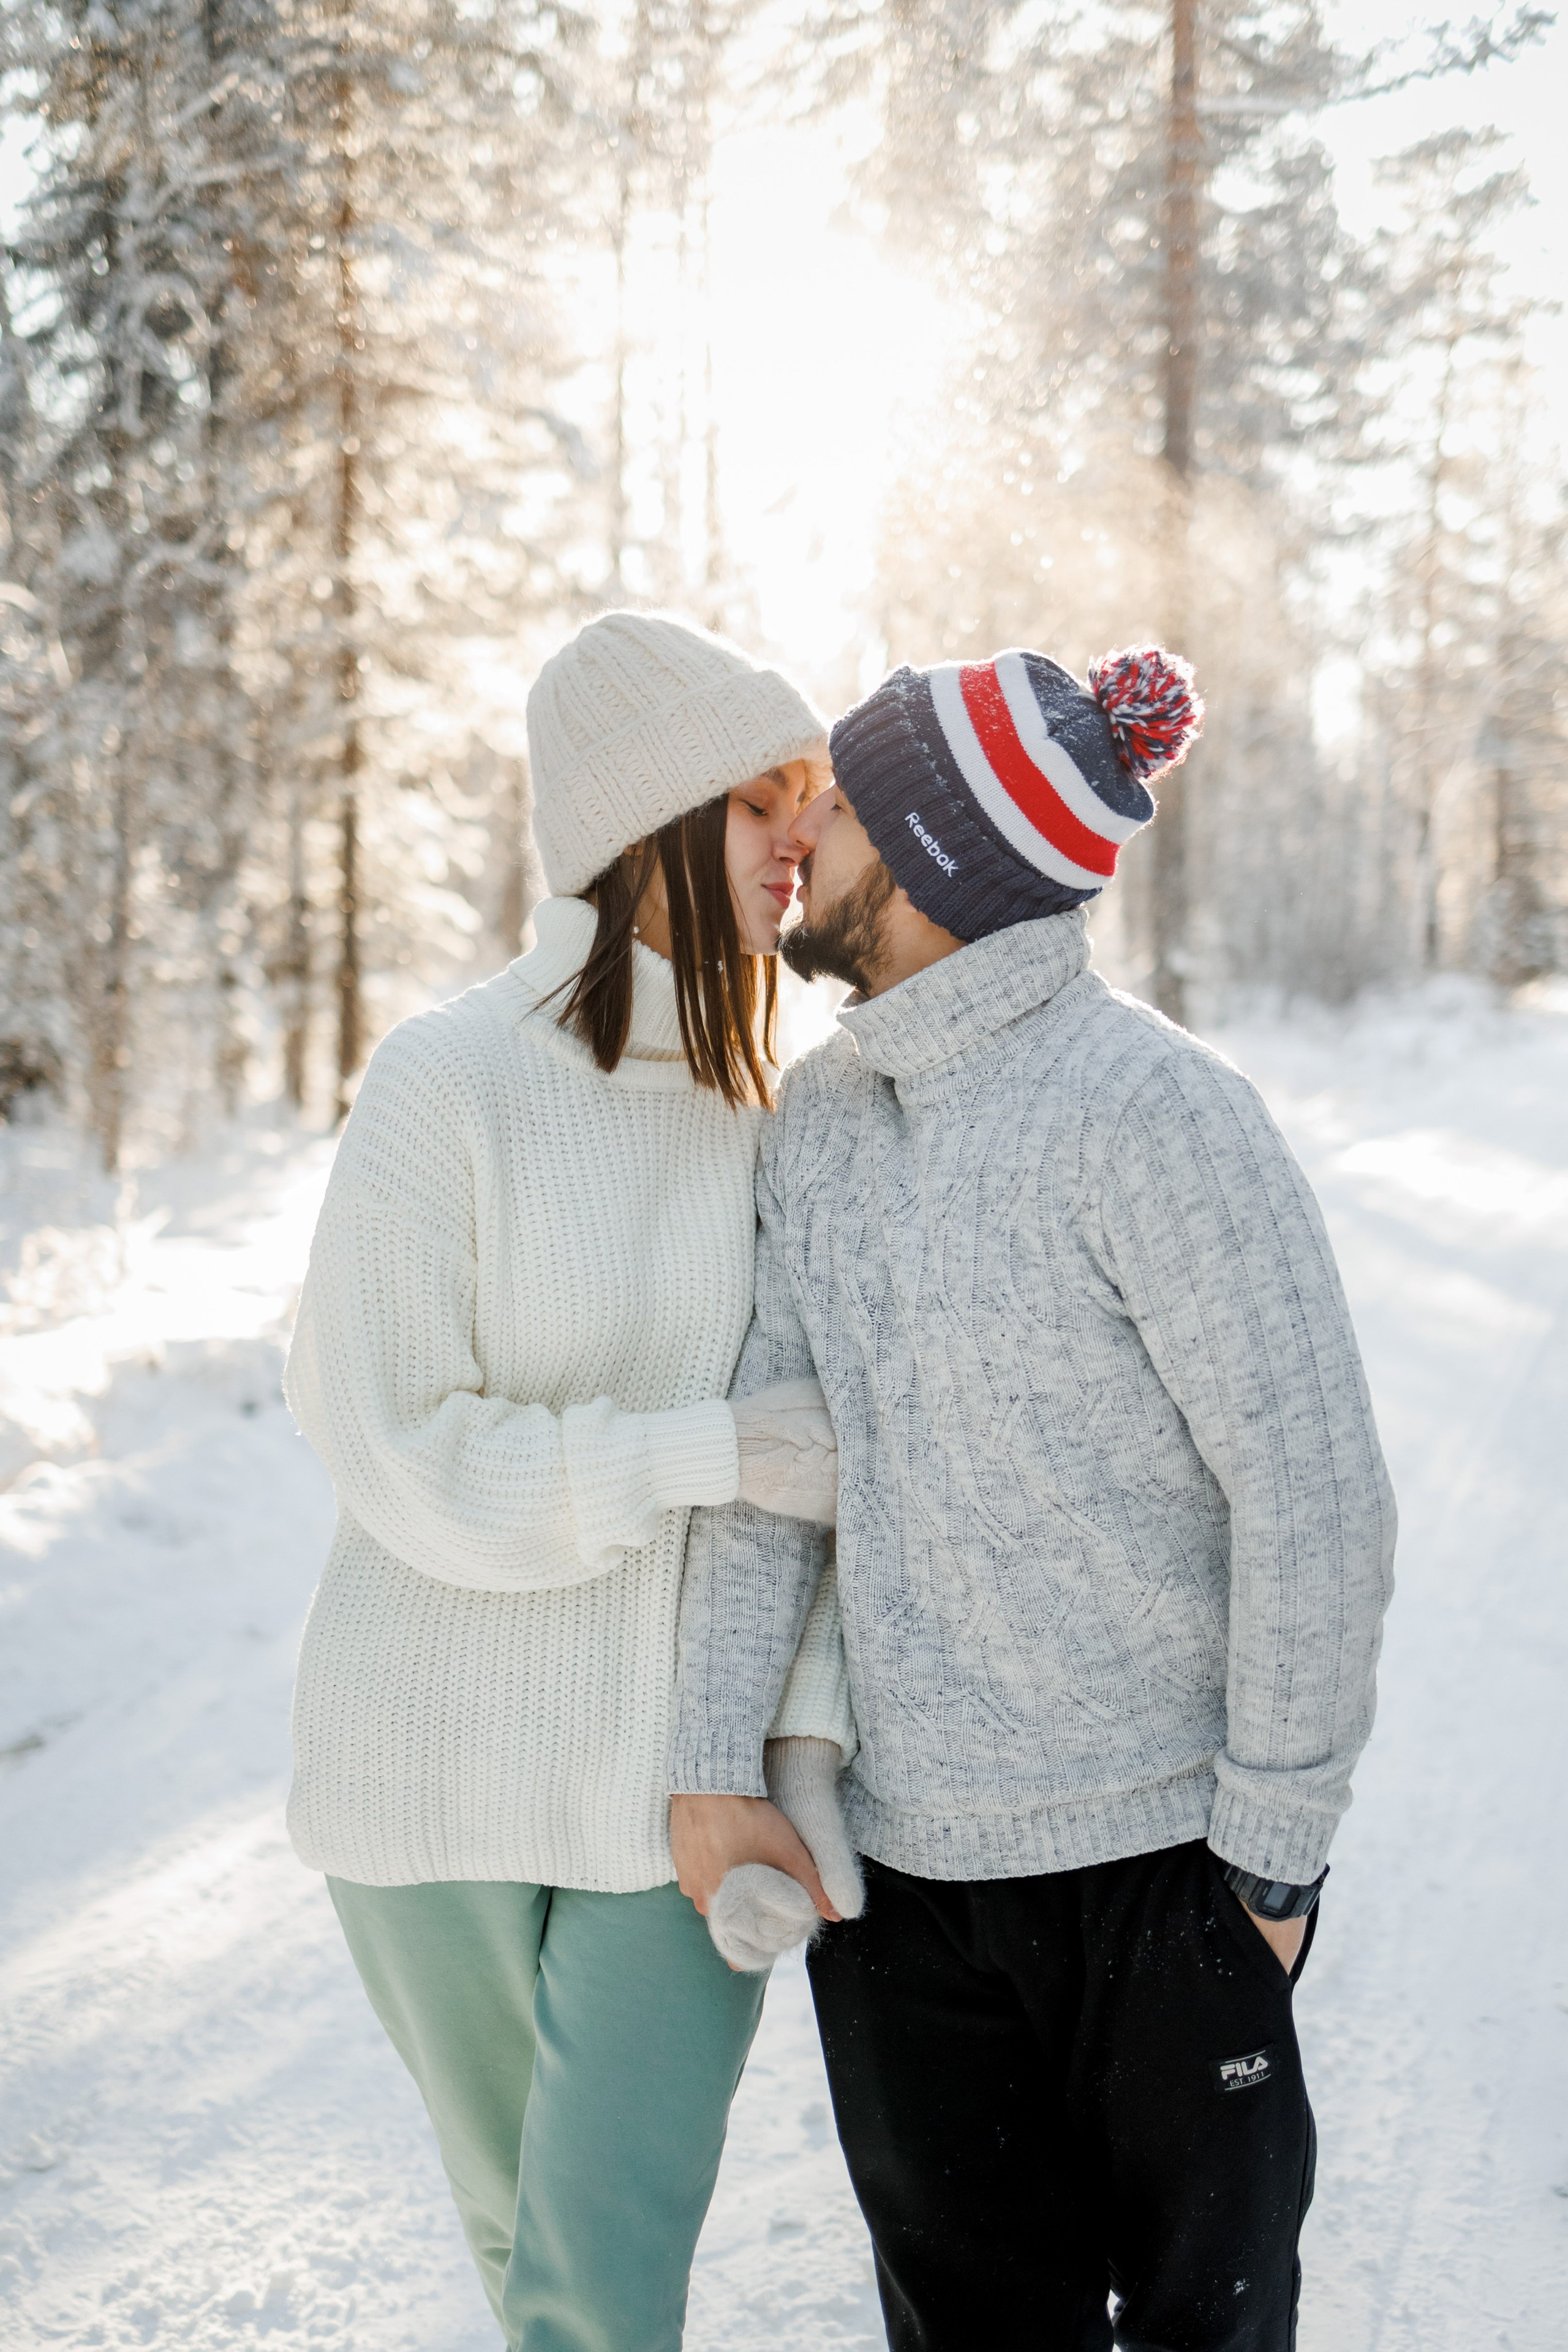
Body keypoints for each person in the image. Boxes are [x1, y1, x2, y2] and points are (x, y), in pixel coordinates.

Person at [668, 644, 1398, 2350]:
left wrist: (1270, 1875)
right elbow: (772, 1476)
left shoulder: (1158, 1113)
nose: (801, 834)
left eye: (837, 803)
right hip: (905, 1910)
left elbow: (1316, 1500)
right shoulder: (822, 1123)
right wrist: (715, 1763)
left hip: (1162, 1882)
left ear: (927, 855)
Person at [282, 609, 861, 2352]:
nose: (800, 838)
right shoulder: (448, 1082)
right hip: (427, 1773)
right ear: (644, 821)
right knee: (524, 2255)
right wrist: (694, 1452)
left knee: (599, 2285)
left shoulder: (779, 1110)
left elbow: (826, 1485)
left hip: (665, 1794)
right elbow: (396, 1446)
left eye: (811, 798)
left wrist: (803, 1740)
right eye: (761, 796)